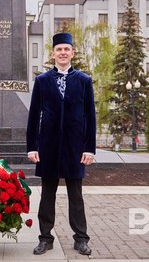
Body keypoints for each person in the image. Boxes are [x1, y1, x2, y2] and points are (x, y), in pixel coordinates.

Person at [26, 32, 96, 256]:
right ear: (53, 53)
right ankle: (45, 238)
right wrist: (32, 146)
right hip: (48, 146)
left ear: (72, 53)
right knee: (48, 195)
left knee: (76, 195)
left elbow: (90, 116)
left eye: (66, 49)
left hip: (75, 148)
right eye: (59, 49)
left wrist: (89, 149)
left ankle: (81, 238)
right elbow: (34, 115)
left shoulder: (84, 80)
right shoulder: (42, 81)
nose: (63, 53)